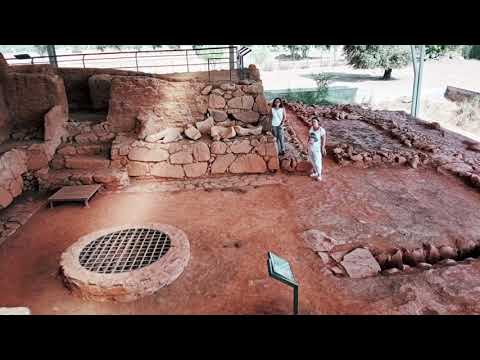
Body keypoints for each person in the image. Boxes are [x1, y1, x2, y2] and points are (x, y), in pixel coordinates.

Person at [308, 117, 326, 181]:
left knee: (317, 161)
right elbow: (309, 136)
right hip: (310, 147)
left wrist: (323, 147)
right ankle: (316, 172)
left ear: (318, 122)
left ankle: (319, 175)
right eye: (312, 121)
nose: (313, 123)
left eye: (315, 121)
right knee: (312, 160)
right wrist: (308, 144)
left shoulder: (321, 130)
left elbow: (323, 139)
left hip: (317, 149)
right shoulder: (311, 128)